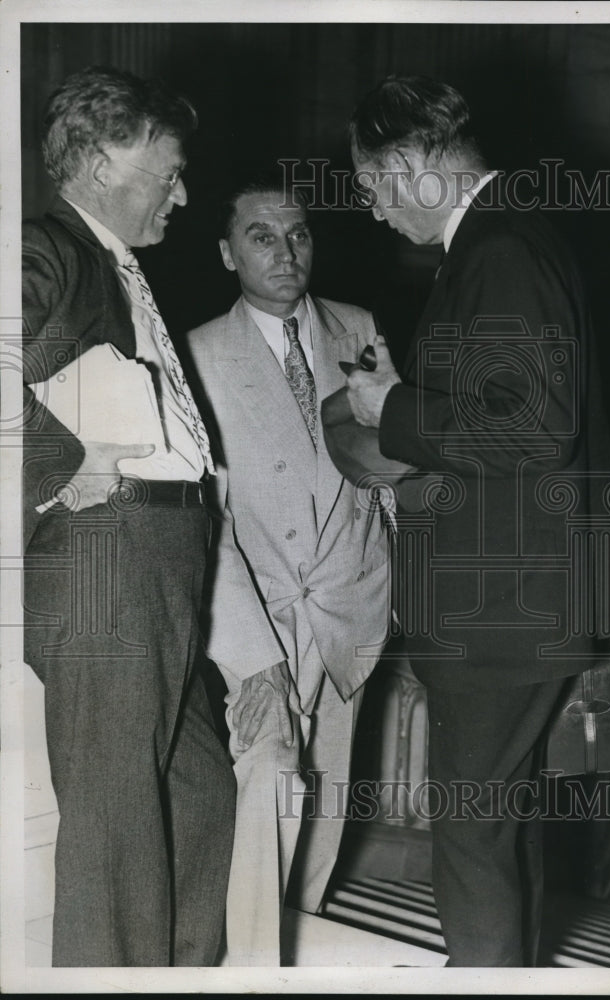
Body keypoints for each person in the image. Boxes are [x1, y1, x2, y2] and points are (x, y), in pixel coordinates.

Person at [347, 75, 610, 966]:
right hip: (522, 604)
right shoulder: (510, 234)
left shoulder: (498, 245)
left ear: (405, 165)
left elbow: (533, 426)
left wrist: (391, 407)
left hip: (499, 612)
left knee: (471, 840)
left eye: (369, 189)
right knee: (501, 828)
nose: (374, 213)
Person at [22, 65, 237, 967]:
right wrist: (71, 463)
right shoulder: (48, 247)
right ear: (107, 160)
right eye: (169, 171)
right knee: (115, 832)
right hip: (110, 558)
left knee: (200, 796)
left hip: (165, 560)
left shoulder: (113, 262)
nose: (183, 194)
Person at [185, 173, 390, 966]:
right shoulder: (199, 354)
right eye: (262, 238)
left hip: (350, 607)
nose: (285, 252)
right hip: (260, 618)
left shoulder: (358, 327)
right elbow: (211, 511)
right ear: (228, 253)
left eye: (298, 234)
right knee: (266, 783)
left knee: (329, 799)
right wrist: (240, 638)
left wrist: (389, 583)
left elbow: (386, 468)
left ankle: (304, 950)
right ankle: (249, 964)